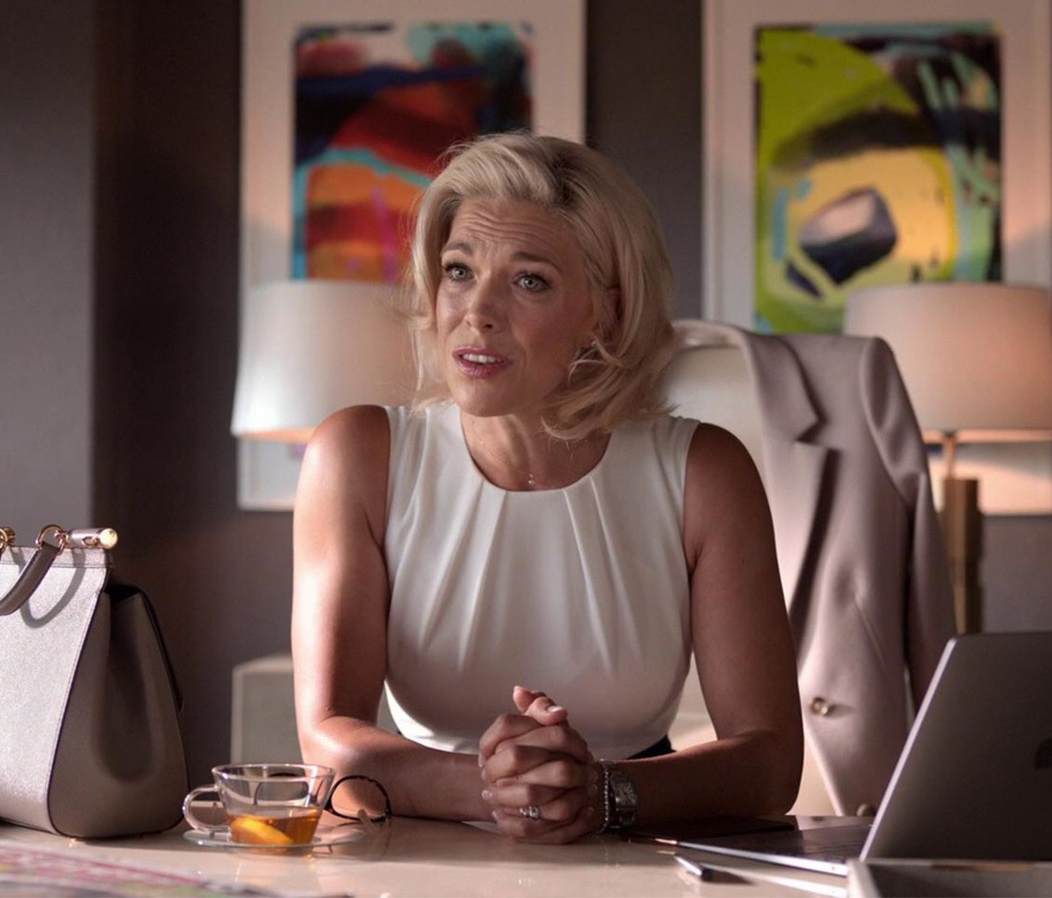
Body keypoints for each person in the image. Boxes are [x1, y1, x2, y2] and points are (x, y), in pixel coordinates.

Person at [292, 132, 802, 843]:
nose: (477, 311)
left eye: (529, 281)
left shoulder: (706, 472)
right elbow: (327, 743)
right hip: (420, 854)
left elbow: (770, 764)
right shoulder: (356, 455)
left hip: (637, 851)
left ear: (605, 313)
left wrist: (603, 794)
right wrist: (503, 790)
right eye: (459, 270)